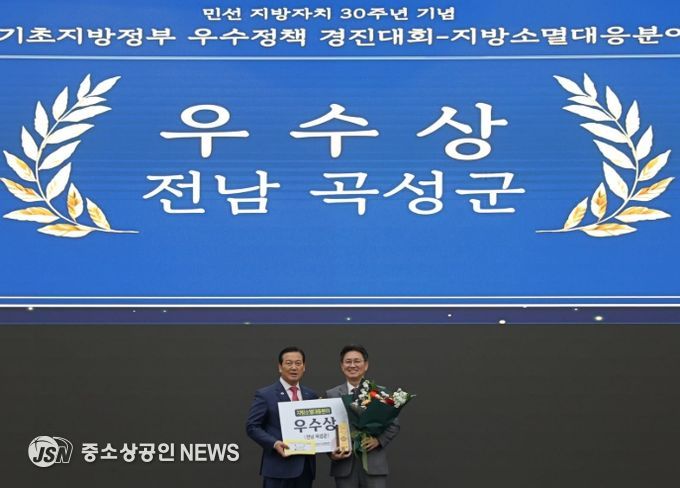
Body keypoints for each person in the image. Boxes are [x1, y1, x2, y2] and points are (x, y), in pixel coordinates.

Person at [326, 345, 400, 488]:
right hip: (344, 465)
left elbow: (394, 423)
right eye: (348, 361)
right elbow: (326, 428)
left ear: (366, 365)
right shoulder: (331, 394)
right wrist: (331, 453)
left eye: (357, 361)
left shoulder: (380, 392)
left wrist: (378, 440)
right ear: (342, 366)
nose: (352, 365)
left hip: (374, 465)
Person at [246, 346, 319, 488]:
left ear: (304, 367)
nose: (294, 367)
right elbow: (252, 427)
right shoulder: (265, 395)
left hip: (305, 470)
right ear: (280, 367)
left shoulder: (311, 395)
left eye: (298, 363)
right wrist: (274, 443)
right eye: (289, 363)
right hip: (278, 468)